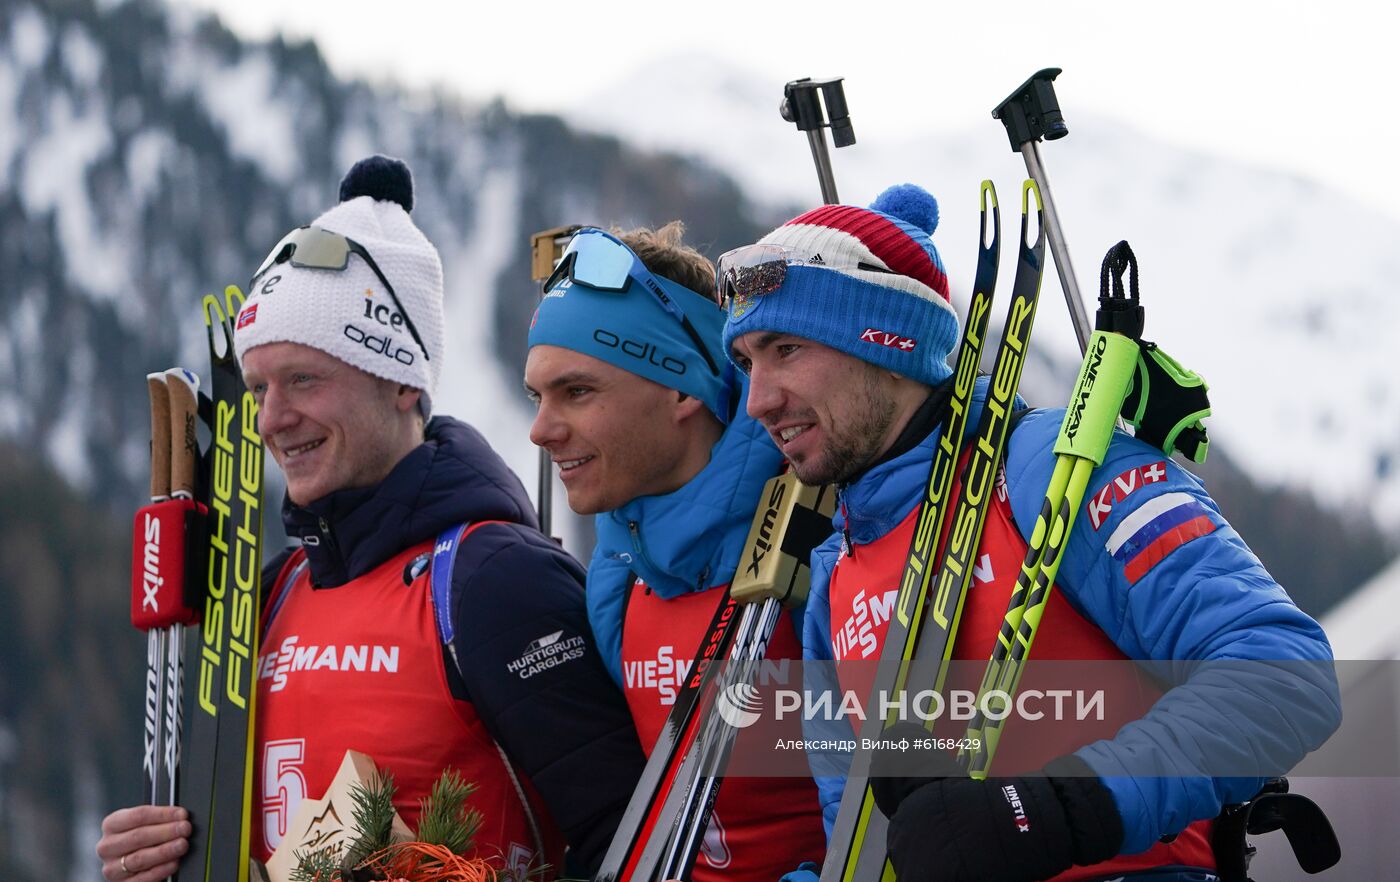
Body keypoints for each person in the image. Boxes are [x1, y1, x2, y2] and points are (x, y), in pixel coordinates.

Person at [719, 184, 1342, 882]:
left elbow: (1285, 673)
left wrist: (1063, 809)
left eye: (786, 349)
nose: (757, 401)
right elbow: (858, 850)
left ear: (885, 342)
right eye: (746, 361)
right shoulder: (838, 575)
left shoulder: (1051, 467)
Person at [96, 156, 645, 882]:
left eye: (304, 380)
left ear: (397, 380)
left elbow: (631, 836)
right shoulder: (275, 592)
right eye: (258, 386)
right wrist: (162, 852)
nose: (272, 419)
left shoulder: (493, 580)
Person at [524, 223, 827, 882]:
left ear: (683, 389)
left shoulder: (820, 535)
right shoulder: (616, 579)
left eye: (577, 391)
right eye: (538, 396)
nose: (541, 430)